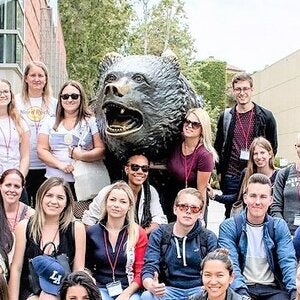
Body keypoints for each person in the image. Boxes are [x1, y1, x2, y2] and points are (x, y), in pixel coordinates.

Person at [218, 173, 297, 300]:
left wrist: (294, 292)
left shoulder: (278, 226)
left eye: (263, 197)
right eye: (253, 196)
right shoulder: (229, 226)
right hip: (242, 288)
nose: (257, 202)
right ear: (245, 198)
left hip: (273, 289)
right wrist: (242, 295)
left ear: (271, 200)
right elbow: (231, 264)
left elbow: (287, 261)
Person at [8, 177, 86, 300]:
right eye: (49, 195)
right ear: (41, 197)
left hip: (63, 289)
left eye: (60, 197)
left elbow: (78, 271)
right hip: (30, 289)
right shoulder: (24, 226)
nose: (54, 201)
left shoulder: (76, 228)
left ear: (67, 202)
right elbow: (16, 269)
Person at [214, 72, 277, 218]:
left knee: (258, 213)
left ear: (251, 90)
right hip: (231, 175)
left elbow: (272, 147)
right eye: (238, 89)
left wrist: (265, 169)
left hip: (256, 174)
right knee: (232, 214)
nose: (242, 93)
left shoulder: (266, 117)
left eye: (245, 89)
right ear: (233, 90)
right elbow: (217, 146)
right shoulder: (226, 117)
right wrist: (219, 172)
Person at [141, 188, 218, 300]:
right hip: (167, 290)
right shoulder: (160, 234)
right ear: (174, 209)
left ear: (200, 214)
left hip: (200, 290)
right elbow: (149, 266)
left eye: (194, 208)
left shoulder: (208, 237)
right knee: (147, 296)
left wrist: (209, 286)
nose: (188, 211)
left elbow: (215, 269)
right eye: (183, 206)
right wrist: (151, 285)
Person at [37, 80, 105, 200]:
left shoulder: (90, 121)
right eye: (65, 96)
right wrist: (60, 165)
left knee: (79, 217)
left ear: (81, 98)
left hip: (83, 183)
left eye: (74, 96)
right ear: (60, 99)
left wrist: (81, 156)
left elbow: (101, 150)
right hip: (54, 182)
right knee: (55, 215)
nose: (69, 100)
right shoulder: (49, 121)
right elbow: (41, 150)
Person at [85, 180, 148, 300]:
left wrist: (126, 294)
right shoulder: (92, 232)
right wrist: (89, 279)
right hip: (100, 288)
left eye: (122, 201)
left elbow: (140, 272)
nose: (116, 205)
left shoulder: (138, 233)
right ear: (106, 202)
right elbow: (86, 266)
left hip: (130, 290)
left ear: (130, 206)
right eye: (112, 200)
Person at [82, 153, 167, 234]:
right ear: (126, 169)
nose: (140, 171)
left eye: (145, 168)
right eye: (135, 167)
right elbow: (89, 220)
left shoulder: (150, 191)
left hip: (139, 240)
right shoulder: (109, 191)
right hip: (109, 241)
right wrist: (100, 241)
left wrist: (140, 234)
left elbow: (159, 219)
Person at [15, 61, 58, 207]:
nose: (37, 79)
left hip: (47, 167)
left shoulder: (56, 104)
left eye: (41, 75)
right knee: (23, 209)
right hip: (22, 166)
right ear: (26, 78)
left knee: (44, 209)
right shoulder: (15, 101)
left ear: (46, 79)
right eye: (33, 75)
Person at [168, 107, 218, 222]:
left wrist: (200, 217)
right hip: (172, 200)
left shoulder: (205, 155)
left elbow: (202, 190)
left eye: (195, 124)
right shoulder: (175, 142)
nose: (189, 126)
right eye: (187, 121)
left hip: (192, 205)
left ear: (202, 128)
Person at [209, 137, 277, 214]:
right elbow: (237, 197)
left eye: (262, 153)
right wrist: (215, 196)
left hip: (272, 220)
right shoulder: (246, 173)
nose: (259, 157)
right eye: (255, 153)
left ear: (270, 154)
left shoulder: (279, 175)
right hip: (248, 219)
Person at [270, 133, 300, 235]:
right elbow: (276, 207)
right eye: (299, 146)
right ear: (295, 147)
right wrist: (282, 230)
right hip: (287, 235)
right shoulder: (284, 174)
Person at [0, 79, 30, 178]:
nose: (2, 95)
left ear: (11, 94)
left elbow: (25, 156)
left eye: (5, 91)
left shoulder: (20, 122)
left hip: (14, 179)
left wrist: (20, 178)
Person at [0, 169, 34, 234]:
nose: (12, 190)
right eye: (8, 185)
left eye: (17, 186)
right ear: (1, 186)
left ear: (22, 189)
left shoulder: (31, 215)